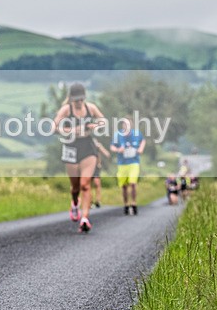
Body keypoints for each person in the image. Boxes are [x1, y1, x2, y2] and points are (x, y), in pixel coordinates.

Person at [51, 83, 106, 232]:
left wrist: (95, 125)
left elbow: (103, 121)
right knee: (75, 187)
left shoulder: (91, 108)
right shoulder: (66, 110)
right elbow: (53, 128)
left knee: (85, 184)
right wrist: (70, 130)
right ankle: (75, 203)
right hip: (71, 148)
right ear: (71, 99)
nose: (79, 103)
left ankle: (85, 218)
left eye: (81, 99)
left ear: (84, 98)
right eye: (76, 100)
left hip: (88, 147)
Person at [111, 116, 146, 215]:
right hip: (122, 164)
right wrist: (118, 150)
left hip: (134, 162)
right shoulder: (117, 134)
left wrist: (141, 149)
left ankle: (134, 203)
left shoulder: (137, 133)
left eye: (128, 124)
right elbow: (112, 146)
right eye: (124, 124)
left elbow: (143, 140)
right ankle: (126, 204)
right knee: (124, 186)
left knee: (133, 183)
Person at [92, 138, 111, 208]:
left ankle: (98, 201)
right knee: (87, 184)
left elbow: (107, 154)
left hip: (96, 167)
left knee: (97, 183)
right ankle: (89, 201)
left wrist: (100, 147)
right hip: (87, 167)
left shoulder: (97, 145)